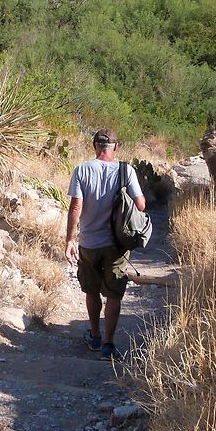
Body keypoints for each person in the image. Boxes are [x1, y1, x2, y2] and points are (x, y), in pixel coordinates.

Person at [65, 127, 146, 361]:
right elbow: (140, 205)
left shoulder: (81, 169)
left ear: (94, 146)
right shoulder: (126, 170)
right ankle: (108, 345)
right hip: (115, 244)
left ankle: (94, 335)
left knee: (91, 290)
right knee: (113, 294)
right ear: (115, 147)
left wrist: (70, 239)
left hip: (88, 243)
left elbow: (75, 208)